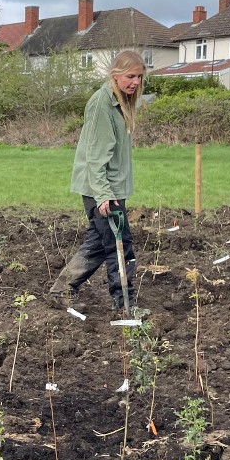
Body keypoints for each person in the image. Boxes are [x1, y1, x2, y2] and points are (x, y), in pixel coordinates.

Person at [47, 50, 146, 313]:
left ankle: (62, 290)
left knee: (101, 242)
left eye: (139, 76)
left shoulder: (121, 102)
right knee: (119, 245)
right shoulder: (102, 103)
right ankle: (125, 304)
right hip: (102, 188)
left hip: (111, 187)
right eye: (129, 76)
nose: (135, 82)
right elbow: (95, 156)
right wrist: (103, 194)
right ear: (116, 75)